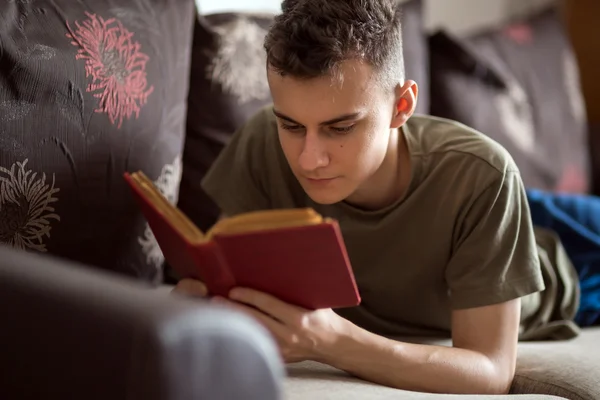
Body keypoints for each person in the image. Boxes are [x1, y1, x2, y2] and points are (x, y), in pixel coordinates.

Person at [173, 0, 580, 395]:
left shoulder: (484, 178)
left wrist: (333, 343)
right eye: (292, 126)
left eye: (341, 127)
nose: (309, 159)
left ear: (401, 105)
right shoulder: (262, 142)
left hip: (560, 255)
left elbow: (491, 372)